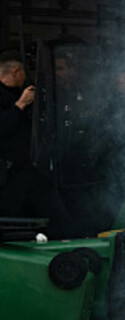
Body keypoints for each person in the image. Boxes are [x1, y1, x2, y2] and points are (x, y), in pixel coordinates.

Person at [0, 50, 73, 238]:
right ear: (16, 71)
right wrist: (20, 105)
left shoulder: (16, 93)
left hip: (23, 168)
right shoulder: (12, 98)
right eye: (23, 73)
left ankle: (66, 238)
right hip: (6, 171)